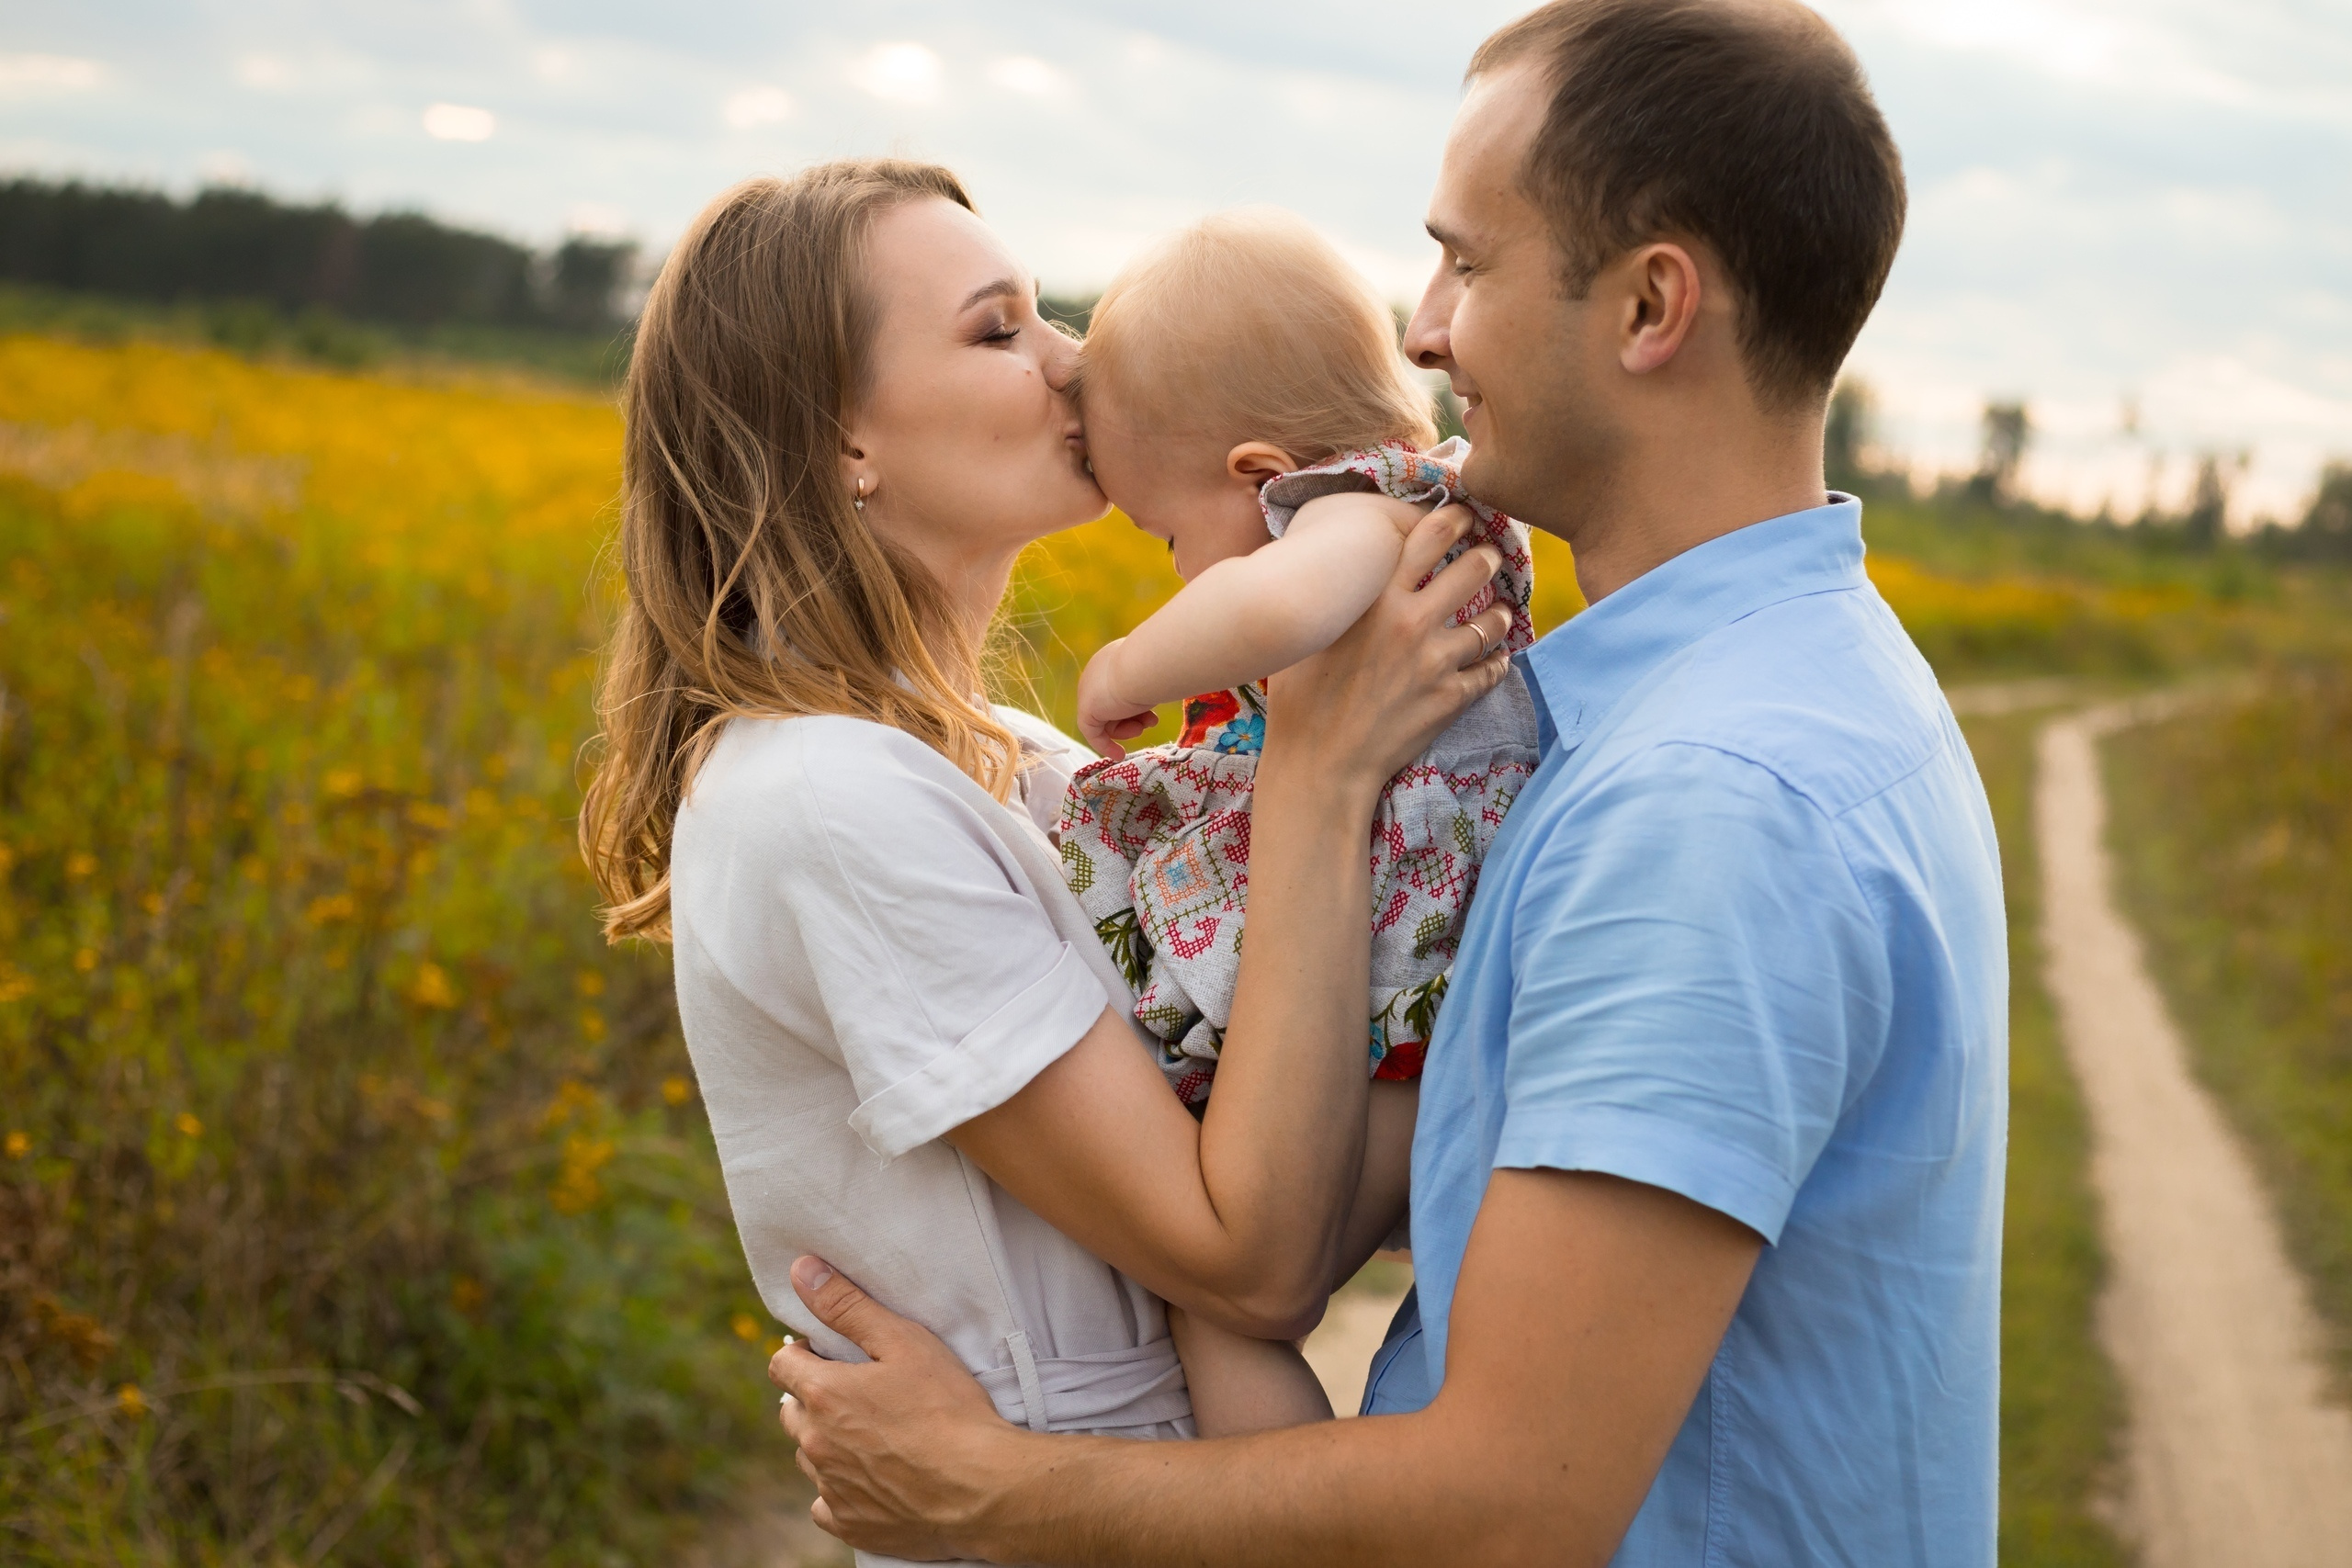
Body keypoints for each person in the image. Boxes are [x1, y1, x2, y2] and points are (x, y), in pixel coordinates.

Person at [769, 3, 2010, 1564]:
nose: (1421, 331)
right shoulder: (1792, 685)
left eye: (1469, 264)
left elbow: (1516, 1504)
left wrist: (995, 1489)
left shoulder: (1709, 807)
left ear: (1650, 308)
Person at [575, 156, 1517, 1554]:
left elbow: (1289, 1174)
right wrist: (1326, 766)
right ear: (844, 441)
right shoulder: (823, 796)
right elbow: (1251, 1261)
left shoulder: (1016, 759)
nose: (1074, 360)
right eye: (998, 326)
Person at [1059, 206, 1541, 1107]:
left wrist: (1123, 667)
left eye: (1168, 535)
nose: (1178, 571)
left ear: (1259, 475)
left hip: (1406, 877)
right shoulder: (1406, 506)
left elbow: (1275, 604)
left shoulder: (1356, 511)